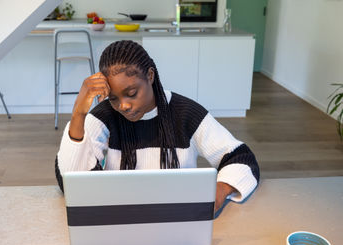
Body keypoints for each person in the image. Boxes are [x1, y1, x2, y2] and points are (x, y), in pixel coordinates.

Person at [55, 40, 259, 214]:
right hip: (121, 221)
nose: (123, 106)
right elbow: (71, 184)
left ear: (150, 76)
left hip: (179, 222)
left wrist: (220, 190)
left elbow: (241, 158)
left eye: (132, 93)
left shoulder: (186, 113)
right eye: (114, 98)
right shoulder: (104, 116)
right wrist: (78, 115)